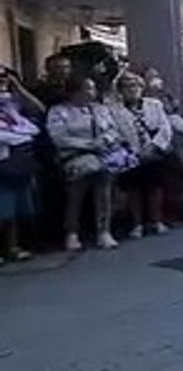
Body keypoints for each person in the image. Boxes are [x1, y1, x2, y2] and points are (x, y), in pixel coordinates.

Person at [48, 75, 126, 251]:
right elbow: (59, 137)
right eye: (88, 89)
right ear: (75, 92)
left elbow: (113, 130)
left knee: (104, 184)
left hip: (102, 155)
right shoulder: (59, 111)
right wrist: (88, 145)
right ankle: (72, 232)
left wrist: (104, 141)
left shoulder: (100, 109)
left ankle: (104, 230)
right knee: (77, 188)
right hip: (74, 155)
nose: (92, 92)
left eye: (92, 88)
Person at [108, 72, 174, 238]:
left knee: (155, 185)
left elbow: (165, 128)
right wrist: (132, 150)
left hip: (152, 150)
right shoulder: (113, 110)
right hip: (130, 153)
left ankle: (156, 221)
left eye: (135, 85)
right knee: (133, 188)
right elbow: (113, 132)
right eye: (127, 86)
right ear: (120, 90)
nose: (132, 89)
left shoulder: (155, 105)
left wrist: (153, 146)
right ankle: (137, 224)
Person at [0, 69, 40, 263]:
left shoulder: (10, 105)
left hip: (16, 160)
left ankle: (12, 247)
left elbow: (38, 113)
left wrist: (18, 88)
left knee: (13, 207)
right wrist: (20, 135)